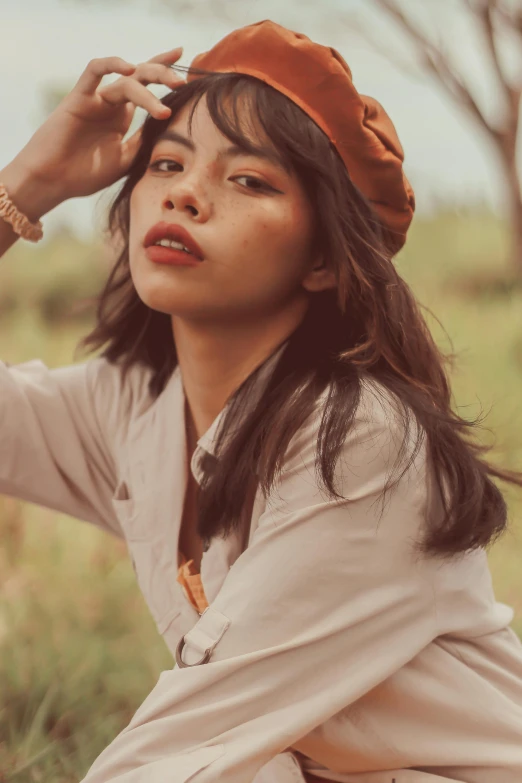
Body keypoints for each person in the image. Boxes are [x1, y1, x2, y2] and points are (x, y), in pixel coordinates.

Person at [0, 18, 521, 783]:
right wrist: (24, 187)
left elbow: (176, 749)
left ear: (322, 258)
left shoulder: (362, 444)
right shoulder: (138, 408)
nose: (185, 193)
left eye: (249, 180)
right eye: (166, 162)